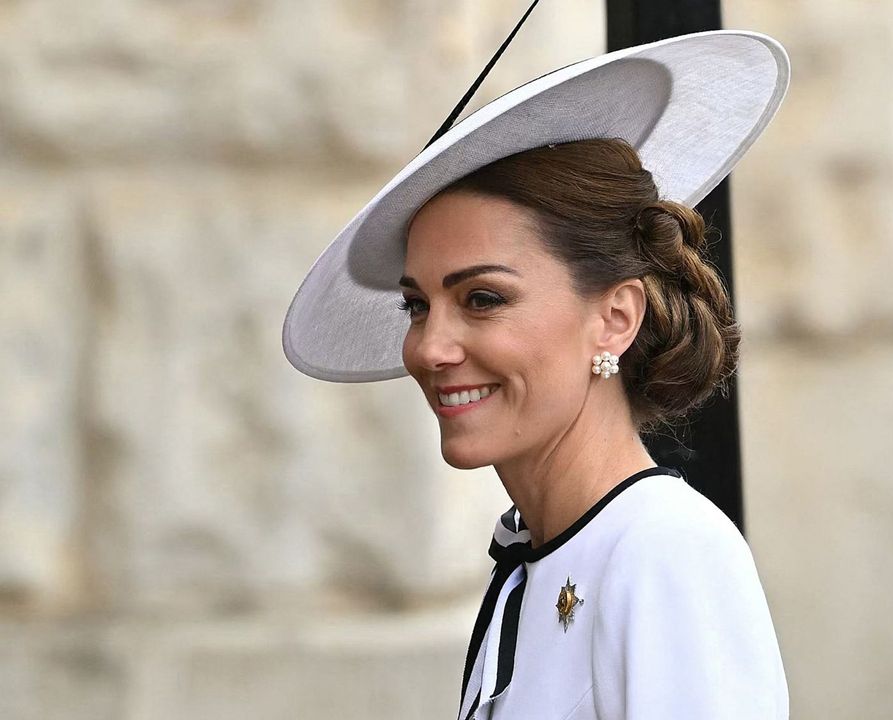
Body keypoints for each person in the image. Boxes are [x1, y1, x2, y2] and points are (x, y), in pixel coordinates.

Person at [282, 29, 790, 719]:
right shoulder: (534, 562)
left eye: (482, 299)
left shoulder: (664, 552)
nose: (431, 347)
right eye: (416, 305)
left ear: (614, 318)